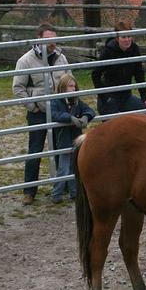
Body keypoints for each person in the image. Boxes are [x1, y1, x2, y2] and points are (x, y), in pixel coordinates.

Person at [12, 23, 71, 206]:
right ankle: (29, 191)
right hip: (39, 112)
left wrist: (67, 102)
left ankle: (64, 185)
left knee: (62, 149)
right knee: (35, 150)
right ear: (38, 38)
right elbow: (18, 88)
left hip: (59, 110)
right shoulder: (25, 60)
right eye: (47, 39)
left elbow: (69, 79)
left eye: (53, 39)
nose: (51, 43)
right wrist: (33, 107)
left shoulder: (61, 58)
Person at [92, 21, 146, 117]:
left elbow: (139, 74)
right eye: (123, 37)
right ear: (117, 38)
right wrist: (104, 97)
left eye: (129, 36)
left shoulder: (134, 49)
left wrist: (145, 98)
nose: (127, 40)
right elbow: (95, 74)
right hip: (110, 98)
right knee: (116, 125)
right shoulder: (108, 51)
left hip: (126, 97)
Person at [49, 74, 95, 203]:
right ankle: (57, 193)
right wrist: (70, 118)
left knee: (74, 167)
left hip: (75, 139)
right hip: (63, 138)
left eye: (74, 86)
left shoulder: (76, 101)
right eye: (70, 86)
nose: (73, 89)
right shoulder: (56, 101)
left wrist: (86, 116)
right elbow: (54, 114)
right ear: (62, 88)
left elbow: (89, 110)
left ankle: (74, 192)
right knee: (63, 168)